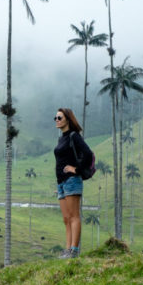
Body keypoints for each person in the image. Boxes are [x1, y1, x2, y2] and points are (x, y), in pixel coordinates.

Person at [53, 108, 92, 259]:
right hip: (61, 183)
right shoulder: (61, 139)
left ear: (67, 119)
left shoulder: (74, 136)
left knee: (74, 216)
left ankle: (74, 250)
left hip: (71, 181)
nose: (56, 119)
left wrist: (76, 169)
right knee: (66, 218)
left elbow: (88, 153)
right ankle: (67, 249)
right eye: (55, 117)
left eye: (59, 117)